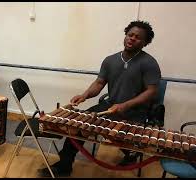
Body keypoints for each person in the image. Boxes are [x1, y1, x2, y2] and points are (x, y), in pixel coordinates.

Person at [38, 20, 161, 177]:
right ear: (125, 36)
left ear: (145, 42)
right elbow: (99, 83)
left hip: (134, 112)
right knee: (77, 126)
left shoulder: (149, 63)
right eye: (130, 35)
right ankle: (64, 166)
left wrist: (126, 104)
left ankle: (130, 153)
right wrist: (84, 95)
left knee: (121, 136)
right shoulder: (110, 60)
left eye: (137, 37)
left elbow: (151, 92)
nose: (132, 38)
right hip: (109, 107)